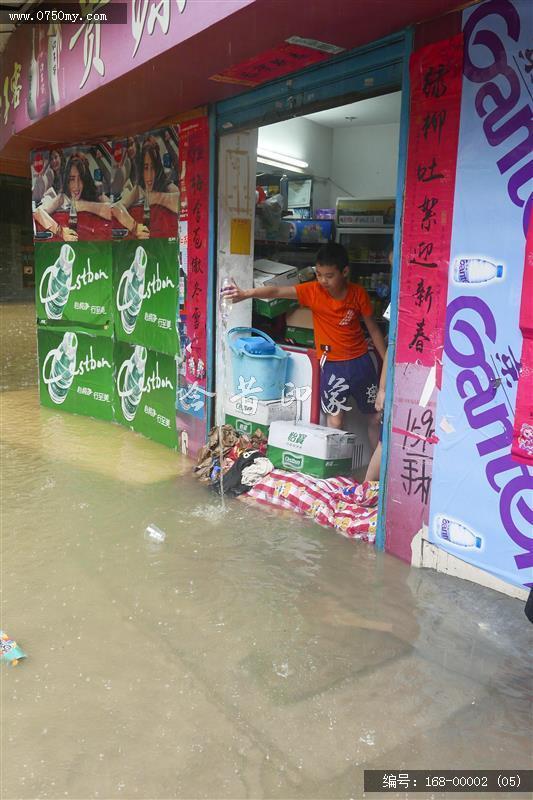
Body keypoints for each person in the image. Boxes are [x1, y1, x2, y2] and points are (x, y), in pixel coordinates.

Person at [224, 242, 386, 449]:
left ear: (344, 272)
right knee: (335, 421)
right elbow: (276, 291)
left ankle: (375, 471)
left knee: (374, 418)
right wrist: (246, 294)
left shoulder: (358, 294)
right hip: (333, 366)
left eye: (329, 275)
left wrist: (385, 361)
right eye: (319, 274)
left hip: (360, 363)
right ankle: (333, 474)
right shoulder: (313, 291)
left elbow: (373, 329)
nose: (323, 280)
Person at [33, 151, 145, 240]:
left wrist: (82, 205)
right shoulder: (62, 198)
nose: (76, 186)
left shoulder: (95, 195)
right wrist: (59, 231)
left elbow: (114, 208)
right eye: (72, 179)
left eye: (80, 179)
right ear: (67, 180)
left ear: (85, 180)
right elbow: (38, 212)